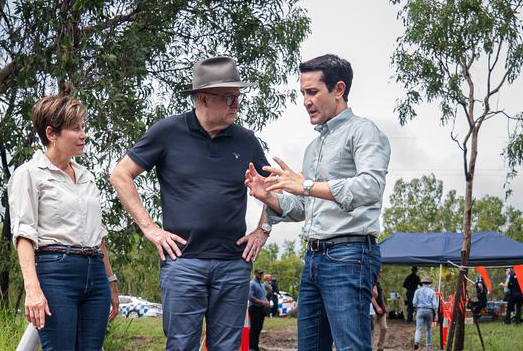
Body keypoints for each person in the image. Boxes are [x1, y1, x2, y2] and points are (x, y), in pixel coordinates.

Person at [109, 56, 271, 351]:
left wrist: (263, 230)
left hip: (233, 265)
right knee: (181, 345)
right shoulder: (168, 132)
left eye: (238, 96)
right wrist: (150, 228)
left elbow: (275, 191)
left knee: (227, 347)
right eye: (229, 97)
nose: (237, 103)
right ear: (204, 98)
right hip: (183, 264)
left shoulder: (247, 141)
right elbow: (121, 175)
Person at [245, 54, 390, 351]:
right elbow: (308, 207)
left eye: (312, 92)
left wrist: (306, 185)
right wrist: (269, 197)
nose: (305, 101)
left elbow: (371, 187)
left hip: (350, 255)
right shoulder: (314, 148)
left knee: (351, 347)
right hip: (313, 259)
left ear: (338, 89)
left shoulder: (364, 131)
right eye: (302, 93)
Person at [8, 96, 119, 351]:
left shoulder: (86, 176)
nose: (84, 135)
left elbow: (97, 234)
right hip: (56, 274)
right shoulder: (29, 174)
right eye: (76, 128)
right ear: (51, 133)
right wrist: (33, 290)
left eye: (83, 127)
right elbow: (24, 235)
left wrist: (110, 280)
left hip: (94, 273)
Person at [412, 276, 438, 350]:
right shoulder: (432, 292)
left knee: (418, 328)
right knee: (429, 328)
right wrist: (436, 314)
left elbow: (414, 303)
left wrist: (418, 308)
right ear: (429, 283)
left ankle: (417, 342)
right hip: (429, 311)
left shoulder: (417, 291)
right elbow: (435, 305)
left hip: (420, 310)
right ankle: (428, 346)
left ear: (422, 283)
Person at [249, 269, 271, 351]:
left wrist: (266, 301)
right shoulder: (252, 284)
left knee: (259, 328)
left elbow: (263, 295)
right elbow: (251, 297)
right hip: (254, 308)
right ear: (255, 274)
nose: (261, 275)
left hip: (261, 308)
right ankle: (252, 347)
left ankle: (256, 346)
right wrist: (262, 302)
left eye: (262, 273)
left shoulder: (261, 284)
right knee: (254, 328)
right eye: (259, 274)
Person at [371, 270, 388, 351]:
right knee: (372, 330)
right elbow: (372, 298)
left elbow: (380, 296)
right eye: (379, 271)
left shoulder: (378, 283)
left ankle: (380, 346)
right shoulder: (371, 282)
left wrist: (384, 306)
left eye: (381, 271)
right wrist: (377, 307)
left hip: (382, 309)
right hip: (373, 310)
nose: (381, 273)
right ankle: (371, 346)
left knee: (384, 328)